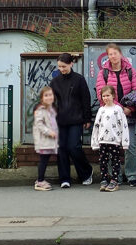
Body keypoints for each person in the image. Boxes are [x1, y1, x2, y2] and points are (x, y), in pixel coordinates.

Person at [94, 43, 136, 186]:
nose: (113, 56)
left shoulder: (130, 70)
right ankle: (115, 177)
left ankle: (132, 175)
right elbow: (101, 94)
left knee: (130, 145)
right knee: (110, 146)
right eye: (110, 54)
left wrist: (130, 108)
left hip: (128, 114)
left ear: (120, 54)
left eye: (115, 53)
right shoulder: (103, 73)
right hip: (111, 115)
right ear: (107, 56)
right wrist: (119, 109)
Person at [48, 52, 94, 188]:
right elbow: (50, 102)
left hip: (76, 119)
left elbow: (86, 99)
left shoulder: (79, 80)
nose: (61, 69)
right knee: (61, 148)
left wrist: (87, 118)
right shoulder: (55, 82)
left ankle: (86, 173)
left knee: (74, 147)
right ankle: (64, 178)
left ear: (71, 64)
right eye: (59, 67)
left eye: (64, 66)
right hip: (60, 120)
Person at [90, 85, 129, 192]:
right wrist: (95, 142)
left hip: (114, 140)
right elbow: (96, 126)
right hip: (103, 140)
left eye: (108, 95)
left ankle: (114, 180)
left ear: (113, 96)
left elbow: (124, 125)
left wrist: (125, 142)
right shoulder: (101, 110)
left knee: (115, 161)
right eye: (103, 96)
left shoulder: (118, 109)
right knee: (103, 161)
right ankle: (104, 179)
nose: (106, 98)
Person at [32, 86, 59, 191]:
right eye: (46, 95)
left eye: (50, 95)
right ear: (42, 98)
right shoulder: (40, 110)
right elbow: (39, 125)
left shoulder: (51, 109)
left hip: (49, 140)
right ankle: (40, 181)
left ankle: (40, 179)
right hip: (44, 140)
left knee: (45, 160)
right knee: (43, 160)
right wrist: (49, 132)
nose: (49, 97)